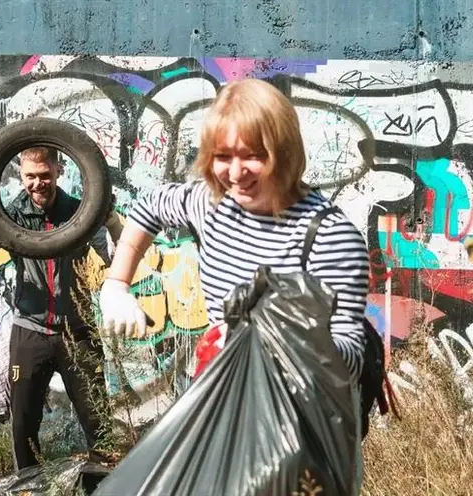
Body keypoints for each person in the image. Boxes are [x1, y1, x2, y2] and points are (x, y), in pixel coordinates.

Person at [98, 79, 369, 491]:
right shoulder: (210, 205)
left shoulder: (328, 236)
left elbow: (349, 357)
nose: (236, 173)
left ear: (285, 153)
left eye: (254, 156)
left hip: (294, 428)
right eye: (223, 156)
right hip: (218, 397)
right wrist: (116, 282)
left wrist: (283, 341)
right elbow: (149, 207)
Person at [0, 146, 122, 470]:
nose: (37, 183)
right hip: (30, 332)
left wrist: (112, 220)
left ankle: (105, 488)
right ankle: (28, 491)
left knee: (99, 425)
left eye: (44, 175)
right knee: (23, 430)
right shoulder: (8, 216)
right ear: (20, 174)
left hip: (78, 331)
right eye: (30, 176)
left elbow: (114, 261)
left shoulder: (81, 211)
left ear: (59, 170)